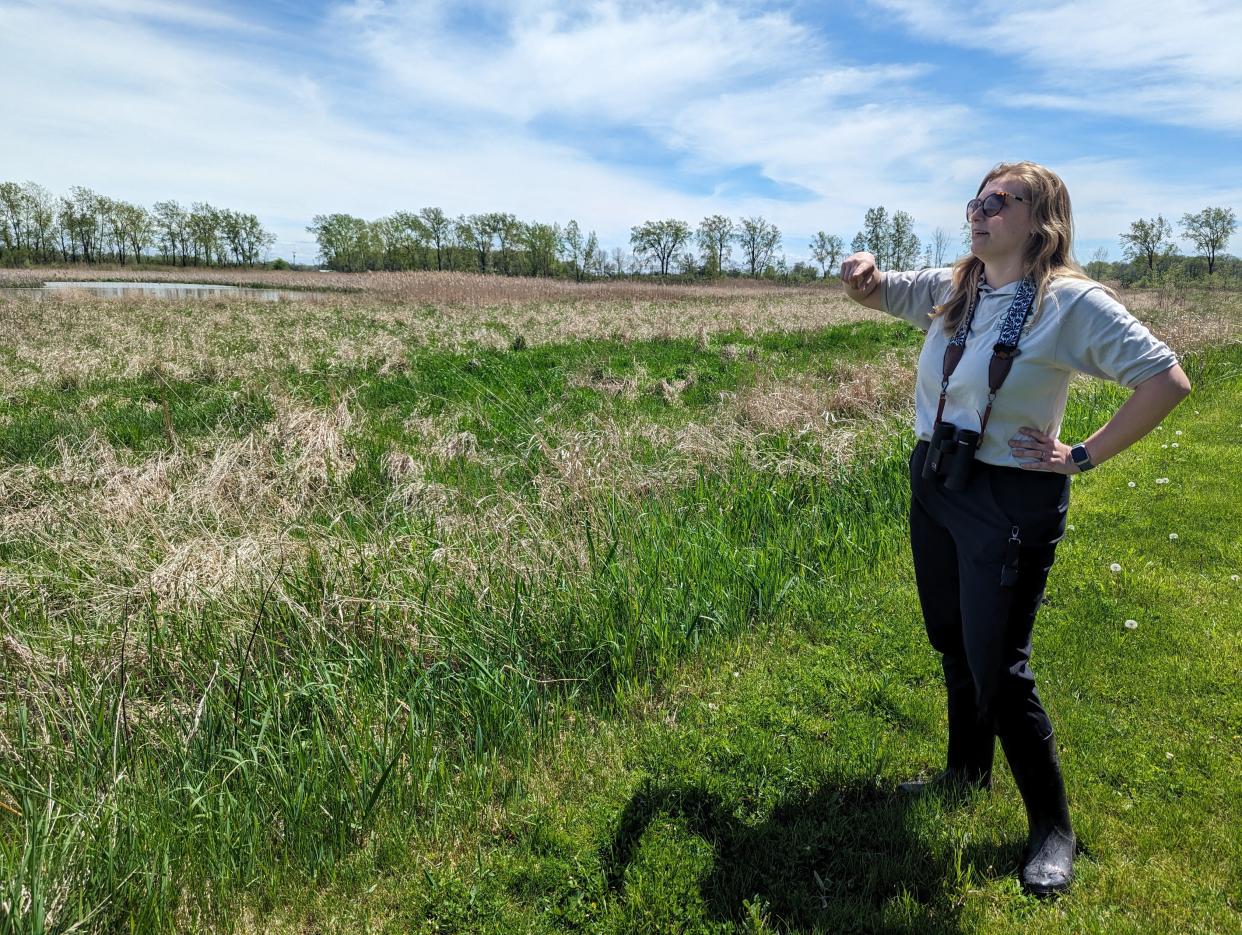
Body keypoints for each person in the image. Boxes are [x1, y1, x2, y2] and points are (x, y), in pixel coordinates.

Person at [839, 161, 1191, 897]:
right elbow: (885, 292)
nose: (982, 208)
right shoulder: (957, 285)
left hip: (1011, 497)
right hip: (937, 478)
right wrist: (864, 276)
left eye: (1004, 200)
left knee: (999, 665)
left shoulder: (1070, 303)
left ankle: (1052, 826)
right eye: (979, 197)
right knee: (952, 641)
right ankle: (965, 773)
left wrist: (1082, 454)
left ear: (1043, 220)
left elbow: (1166, 378)